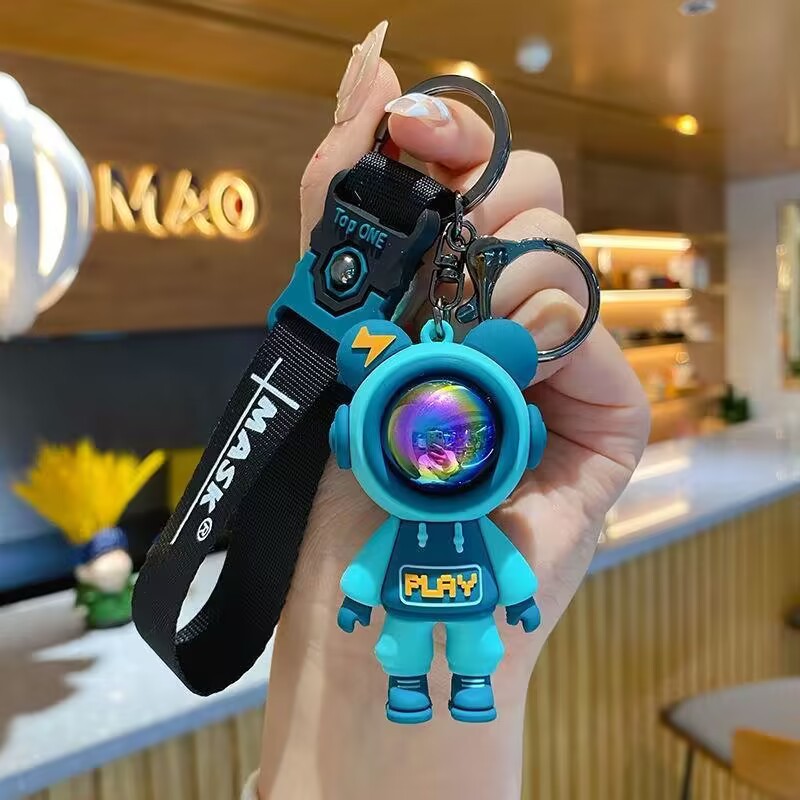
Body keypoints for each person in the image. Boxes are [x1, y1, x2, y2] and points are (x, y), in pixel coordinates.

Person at [245, 21, 650, 800]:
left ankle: (456, 688)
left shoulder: (468, 518)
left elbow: (471, 567)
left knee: (463, 656)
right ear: (358, 440)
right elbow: (376, 566)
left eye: (452, 440)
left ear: (517, 442)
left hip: (442, 616)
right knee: (408, 655)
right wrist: (343, 632)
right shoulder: (420, 507)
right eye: (423, 439)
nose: (437, 450)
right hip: (412, 618)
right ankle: (412, 687)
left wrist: (519, 597)